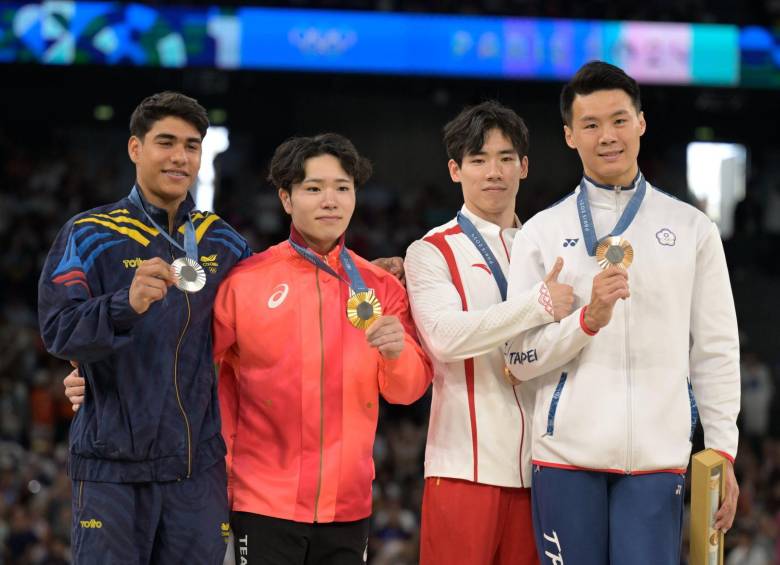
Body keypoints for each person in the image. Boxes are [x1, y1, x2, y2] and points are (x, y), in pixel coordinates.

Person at [504, 61, 740, 565]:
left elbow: (716, 348)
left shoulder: (693, 229)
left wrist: (722, 449)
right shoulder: (542, 234)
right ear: (570, 136)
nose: (606, 136)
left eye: (618, 120)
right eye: (590, 125)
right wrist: (584, 321)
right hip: (565, 458)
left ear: (641, 123)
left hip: (658, 459)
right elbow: (518, 358)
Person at [38, 92, 251, 564]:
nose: (180, 157)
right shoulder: (88, 234)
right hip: (111, 471)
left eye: (192, 146)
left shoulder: (226, 243)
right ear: (136, 148)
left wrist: (359, 275)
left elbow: (272, 316)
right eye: (166, 142)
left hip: (197, 473)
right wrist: (124, 305)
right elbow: (57, 330)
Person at [212, 133, 432, 565]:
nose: (330, 200)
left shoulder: (382, 286)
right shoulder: (245, 281)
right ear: (286, 198)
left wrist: (396, 352)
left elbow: (407, 390)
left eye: (342, 188)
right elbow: (195, 369)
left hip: (348, 506)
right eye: (314, 188)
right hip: (261, 503)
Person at [403, 100, 574, 564]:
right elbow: (443, 336)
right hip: (463, 469)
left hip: (543, 469)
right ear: (456, 170)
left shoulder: (550, 250)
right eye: (478, 160)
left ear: (524, 166)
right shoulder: (431, 251)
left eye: (504, 158)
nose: (493, 171)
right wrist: (537, 304)